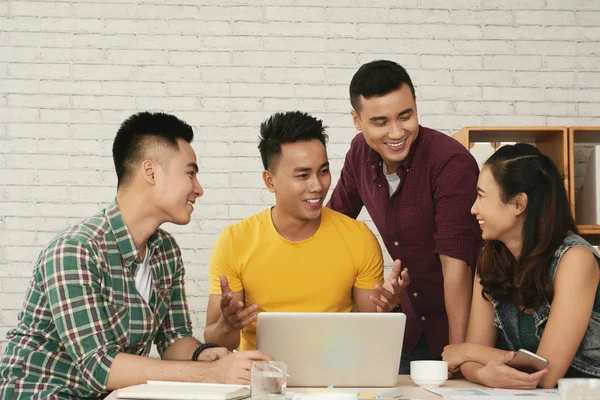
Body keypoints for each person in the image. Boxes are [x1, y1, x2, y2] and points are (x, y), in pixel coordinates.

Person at [0, 112, 272, 399]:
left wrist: (208, 355)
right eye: (190, 173)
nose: (198, 189)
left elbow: (173, 339)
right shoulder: (76, 251)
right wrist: (211, 375)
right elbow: (100, 367)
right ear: (150, 172)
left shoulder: (165, 252)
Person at [204, 111, 410, 351]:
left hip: (336, 375)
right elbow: (215, 341)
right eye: (302, 175)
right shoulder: (235, 241)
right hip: (261, 376)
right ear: (270, 181)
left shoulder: (358, 238)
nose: (318, 186)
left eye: (323, 171)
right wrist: (228, 325)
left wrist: (387, 310)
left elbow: (370, 335)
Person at [327, 60, 482, 374]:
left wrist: (459, 356)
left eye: (406, 116)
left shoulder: (450, 163)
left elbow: (457, 268)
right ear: (357, 120)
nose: (396, 132)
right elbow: (334, 224)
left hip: (463, 327)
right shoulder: (359, 153)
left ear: (415, 106)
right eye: (380, 121)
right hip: (408, 329)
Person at [442, 143, 600, 389]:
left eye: (481, 196)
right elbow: (470, 365)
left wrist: (467, 350)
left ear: (518, 204)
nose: (473, 208)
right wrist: (483, 374)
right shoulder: (490, 259)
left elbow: (546, 374)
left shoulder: (575, 259)